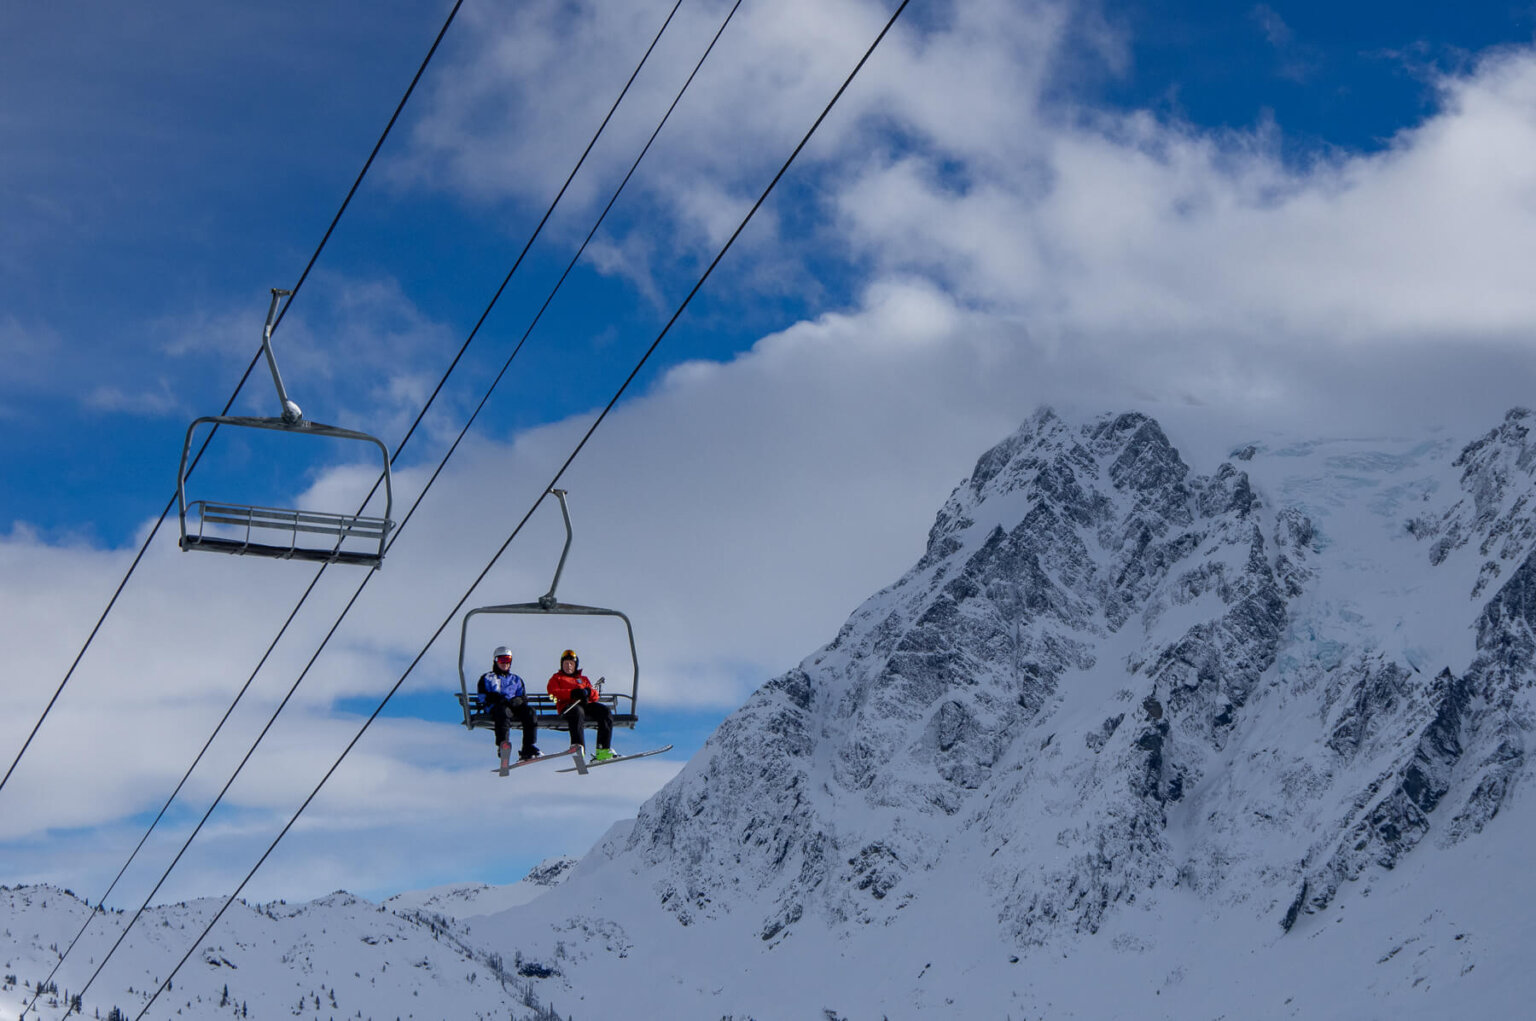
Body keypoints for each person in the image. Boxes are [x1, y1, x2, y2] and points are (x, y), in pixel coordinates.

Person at [546, 648, 614, 762]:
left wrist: (588, 692)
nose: (568, 666)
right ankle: (578, 746)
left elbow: (595, 696)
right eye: (566, 663)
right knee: (578, 712)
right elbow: (553, 693)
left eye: (571, 664)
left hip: (585, 705)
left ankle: (603, 750)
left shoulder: (582, 679)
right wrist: (572, 693)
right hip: (569, 707)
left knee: (604, 711)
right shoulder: (557, 678)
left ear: (575, 665)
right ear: (562, 665)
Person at [479, 645, 538, 768]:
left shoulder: (516, 679)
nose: (505, 663)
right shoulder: (488, 678)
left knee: (530, 712)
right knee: (503, 712)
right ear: (496, 661)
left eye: (508, 660)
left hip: (514, 708)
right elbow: (483, 696)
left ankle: (528, 748)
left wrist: (519, 701)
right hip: (497, 708)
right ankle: (503, 744)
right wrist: (497, 699)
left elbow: (523, 697)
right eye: (502, 660)